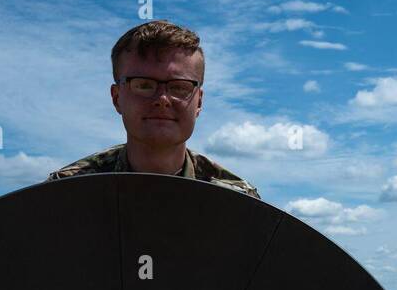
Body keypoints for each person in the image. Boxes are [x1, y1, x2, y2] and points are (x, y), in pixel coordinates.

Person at [47, 20, 261, 200]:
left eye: (179, 87)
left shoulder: (238, 201)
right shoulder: (66, 192)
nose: (162, 99)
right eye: (143, 85)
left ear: (199, 102)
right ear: (116, 98)